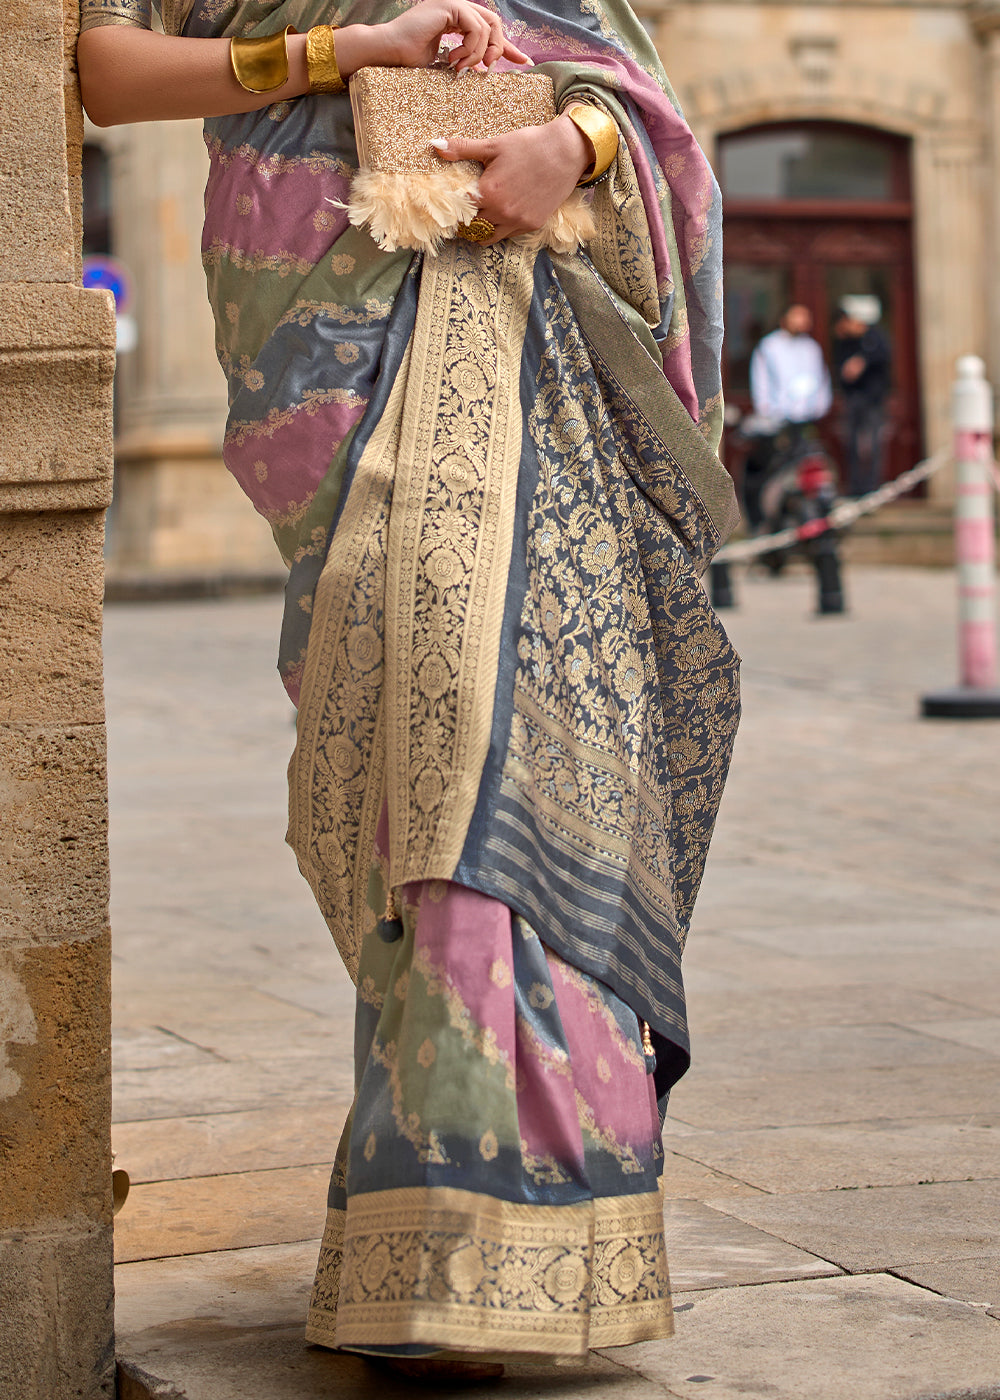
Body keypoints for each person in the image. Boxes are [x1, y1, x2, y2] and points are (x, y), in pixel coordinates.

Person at [78, 0, 740, 1376]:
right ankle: (434, 1216)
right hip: (308, 312)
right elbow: (103, 68)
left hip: (507, 293)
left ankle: (501, 1216)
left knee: (496, 706)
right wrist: (348, 51)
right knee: (397, 730)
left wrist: (579, 141)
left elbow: (636, 86)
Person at [743, 304, 832, 528]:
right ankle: (762, 521)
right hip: (777, 421)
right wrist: (769, 411)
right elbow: (762, 383)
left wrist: (819, 407)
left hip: (805, 419)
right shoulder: (770, 346)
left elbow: (820, 379)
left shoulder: (811, 348)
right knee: (770, 469)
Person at [832, 295, 892, 498]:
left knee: (871, 446)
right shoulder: (847, 342)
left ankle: (871, 488)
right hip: (853, 401)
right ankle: (856, 488)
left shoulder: (876, 340)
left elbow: (882, 357)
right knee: (852, 445)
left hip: (872, 402)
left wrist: (862, 361)